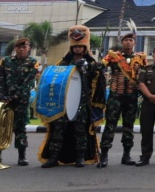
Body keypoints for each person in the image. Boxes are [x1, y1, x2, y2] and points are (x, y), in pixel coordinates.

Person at [40, 25, 107, 168]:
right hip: (63, 103)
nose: (78, 49)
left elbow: (100, 72)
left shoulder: (91, 64)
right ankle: (53, 157)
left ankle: (80, 157)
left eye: (81, 46)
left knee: (80, 131)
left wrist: (89, 67)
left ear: (85, 48)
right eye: (75, 46)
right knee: (58, 130)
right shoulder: (63, 64)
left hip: (82, 103)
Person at [98, 32, 146, 167]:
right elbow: (101, 65)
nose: (128, 42)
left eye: (130, 40)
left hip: (131, 96)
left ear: (134, 43)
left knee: (128, 126)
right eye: (126, 40)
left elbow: (145, 75)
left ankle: (126, 155)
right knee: (110, 125)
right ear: (122, 42)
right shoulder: (114, 57)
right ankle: (104, 155)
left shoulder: (140, 58)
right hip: (115, 95)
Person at [0, 37, 40, 166]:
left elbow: (28, 82)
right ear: (15, 48)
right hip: (4, 99)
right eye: (19, 47)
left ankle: (22, 156)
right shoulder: (6, 61)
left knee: (20, 128)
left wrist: (14, 96)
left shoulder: (32, 62)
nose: (21, 49)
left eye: (24, 47)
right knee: (1, 127)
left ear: (28, 48)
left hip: (21, 100)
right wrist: (2, 95)